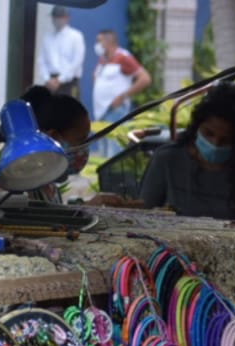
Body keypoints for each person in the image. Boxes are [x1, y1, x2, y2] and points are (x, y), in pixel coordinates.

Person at [139, 82, 235, 220]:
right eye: (208, 133)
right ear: (197, 126)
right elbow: (141, 217)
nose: (215, 144)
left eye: (226, 140)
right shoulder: (167, 160)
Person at [20, 85, 90, 204]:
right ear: (53, 137)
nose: (84, 148)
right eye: (80, 140)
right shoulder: (17, 188)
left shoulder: (48, 186)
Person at [91, 29, 151, 158]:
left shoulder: (123, 57)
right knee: (103, 153)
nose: (96, 45)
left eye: (99, 41)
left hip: (116, 110)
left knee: (115, 151)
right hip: (101, 111)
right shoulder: (103, 60)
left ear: (109, 42)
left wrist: (123, 96)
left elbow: (145, 78)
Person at [35, 5, 86, 102]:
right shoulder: (48, 37)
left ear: (66, 18)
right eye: (54, 17)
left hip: (69, 82)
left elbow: (77, 61)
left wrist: (60, 80)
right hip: (50, 81)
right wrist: (47, 79)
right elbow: (41, 60)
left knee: (70, 112)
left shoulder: (75, 36)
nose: (56, 20)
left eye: (59, 17)